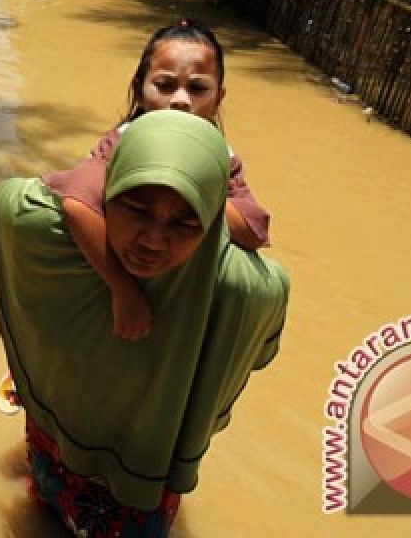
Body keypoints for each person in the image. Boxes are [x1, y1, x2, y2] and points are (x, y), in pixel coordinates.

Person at [0, 110, 290, 537]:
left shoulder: (241, 288)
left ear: (212, 222)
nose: (152, 240)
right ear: (106, 193)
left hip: (100, 459)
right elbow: (24, 207)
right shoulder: (50, 235)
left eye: (184, 222)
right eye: (135, 208)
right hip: (103, 457)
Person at [45, 17, 271, 342]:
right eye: (165, 85)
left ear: (218, 98)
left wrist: (195, 201)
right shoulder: (123, 144)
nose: (180, 100)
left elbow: (253, 229)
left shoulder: (222, 158)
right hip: (112, 295)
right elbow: (78, 204)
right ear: (139, 90)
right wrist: (124, 292)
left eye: (197, 88)